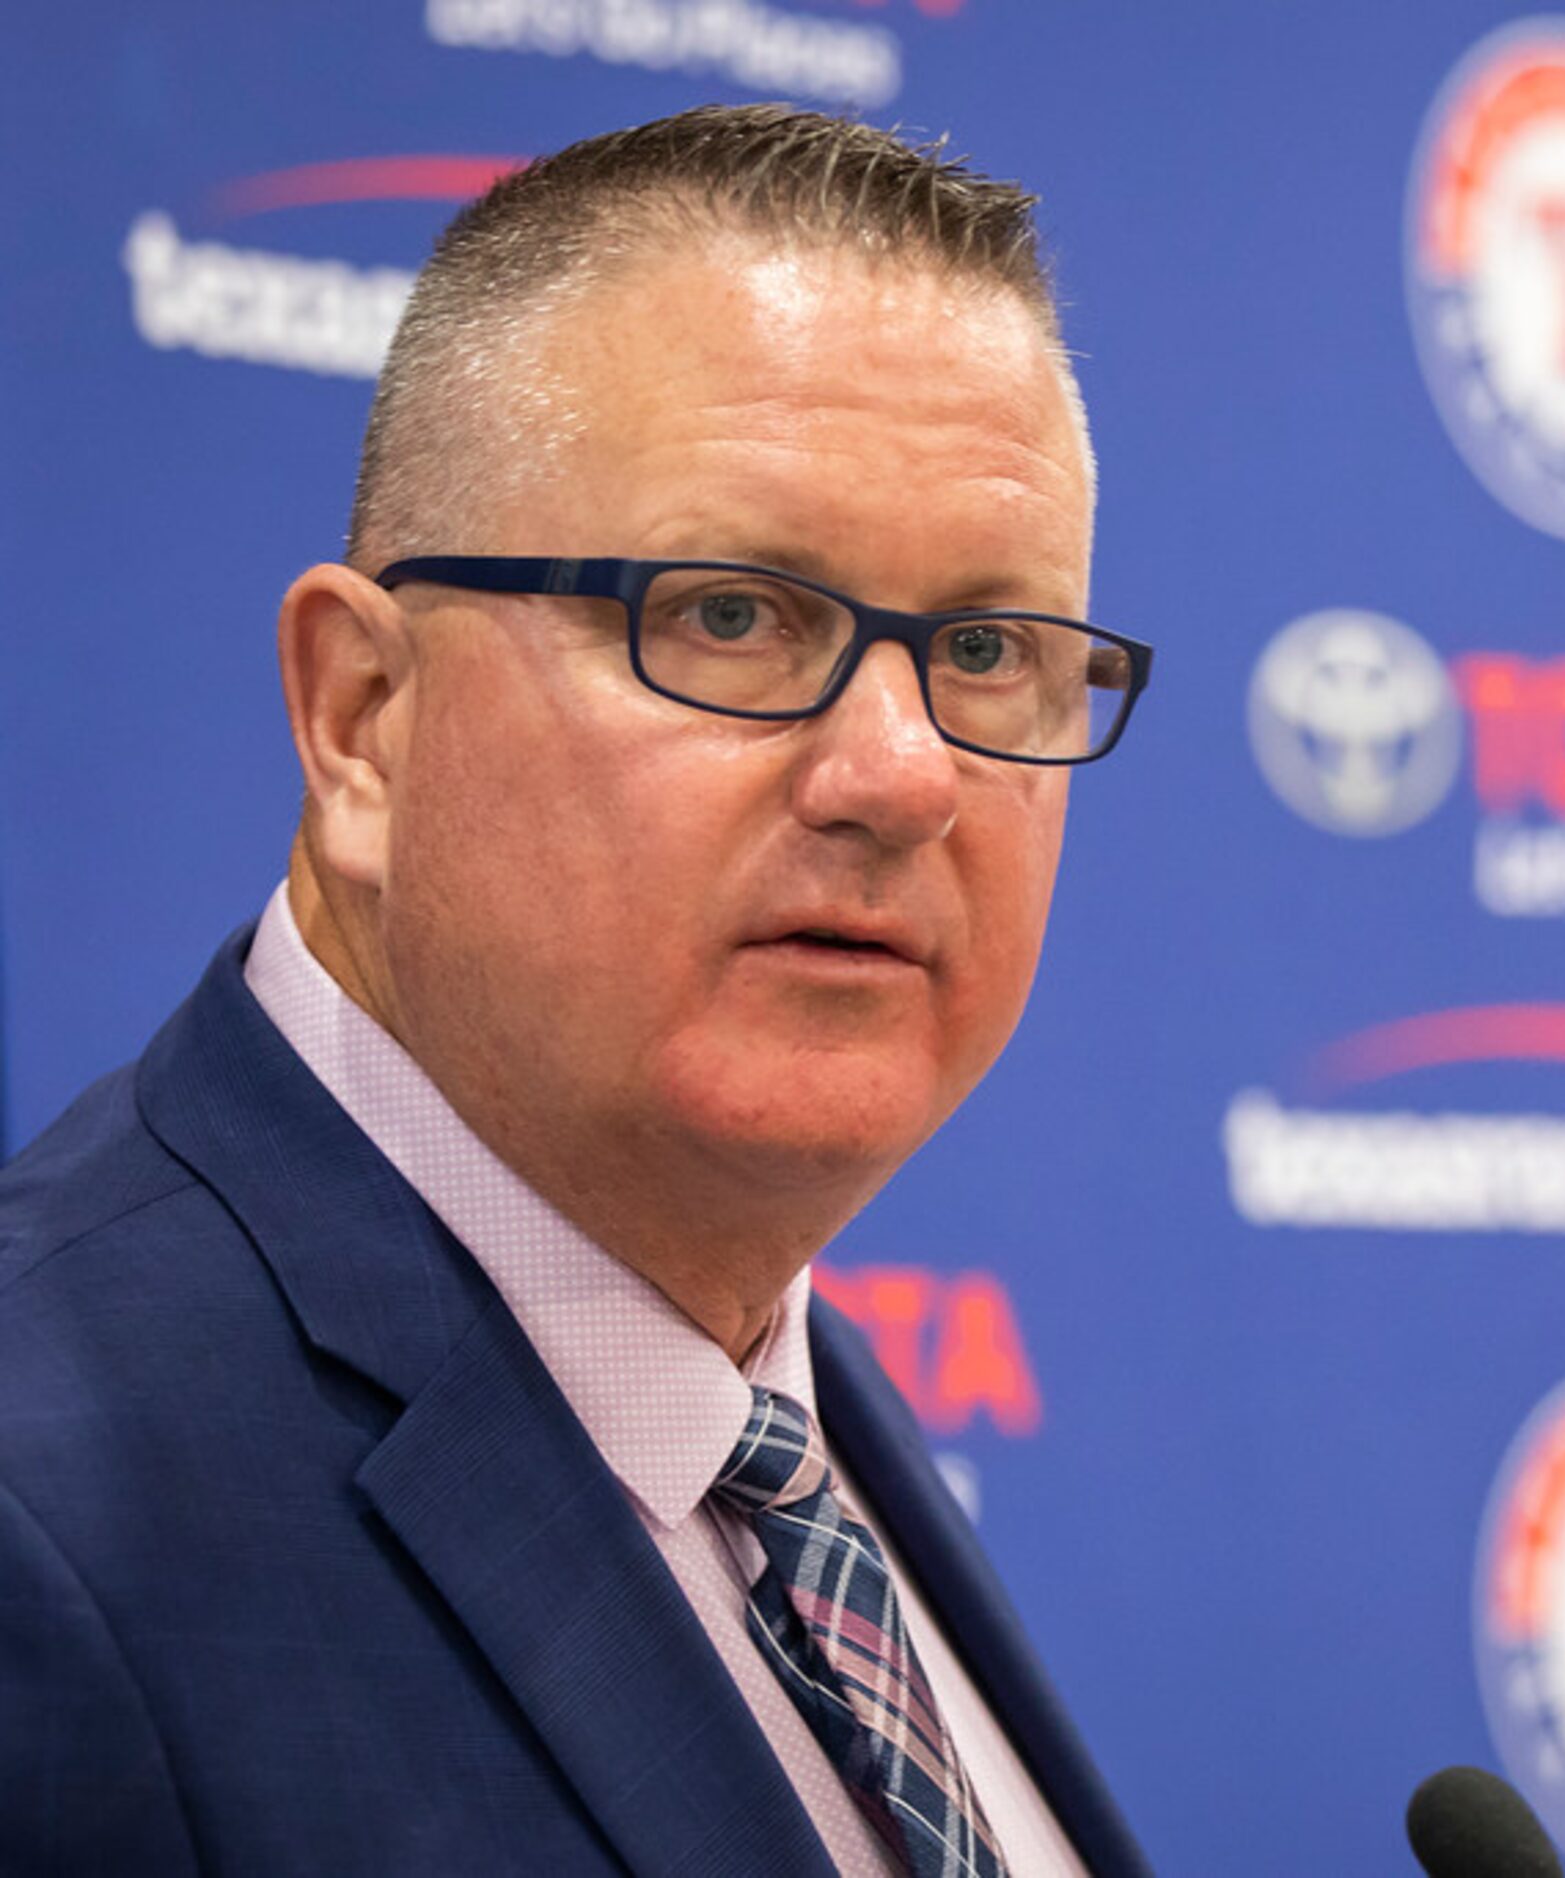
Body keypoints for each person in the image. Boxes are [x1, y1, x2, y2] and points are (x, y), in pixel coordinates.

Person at [0, 104, 1153, 1877]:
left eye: (990, 650)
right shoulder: (43, 1516)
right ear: (362, 722)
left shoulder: (787, 1436)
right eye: (732, 616)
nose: (903, 772)